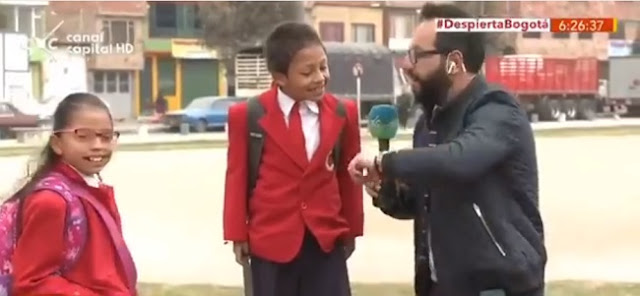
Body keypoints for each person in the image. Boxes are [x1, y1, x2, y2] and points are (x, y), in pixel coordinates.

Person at [347, 3, 546, 296]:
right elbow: (422, 203)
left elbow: (460, 160)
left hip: (498, 287)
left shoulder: (497, 109)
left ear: (454, 61)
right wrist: (386, 191)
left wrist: (385, 162)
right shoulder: (427, 126)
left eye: (416, 55)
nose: (405, 65)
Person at [223, 22, 363, 296]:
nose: (320, 77)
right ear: (280, 77)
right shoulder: (247, 115)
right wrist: (237, 232)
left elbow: (349, 176)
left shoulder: (344, 113)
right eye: (307, 72)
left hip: (326, 240)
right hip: (271, 242)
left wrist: (353, 228)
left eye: (323, 67)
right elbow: (236, 175)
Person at [9, 93, 137, 295]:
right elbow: (32, 283)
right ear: (57, 143)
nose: (98, 145)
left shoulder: (93, 187)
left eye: (106, 136)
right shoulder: (50, 201)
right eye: (83, 136)